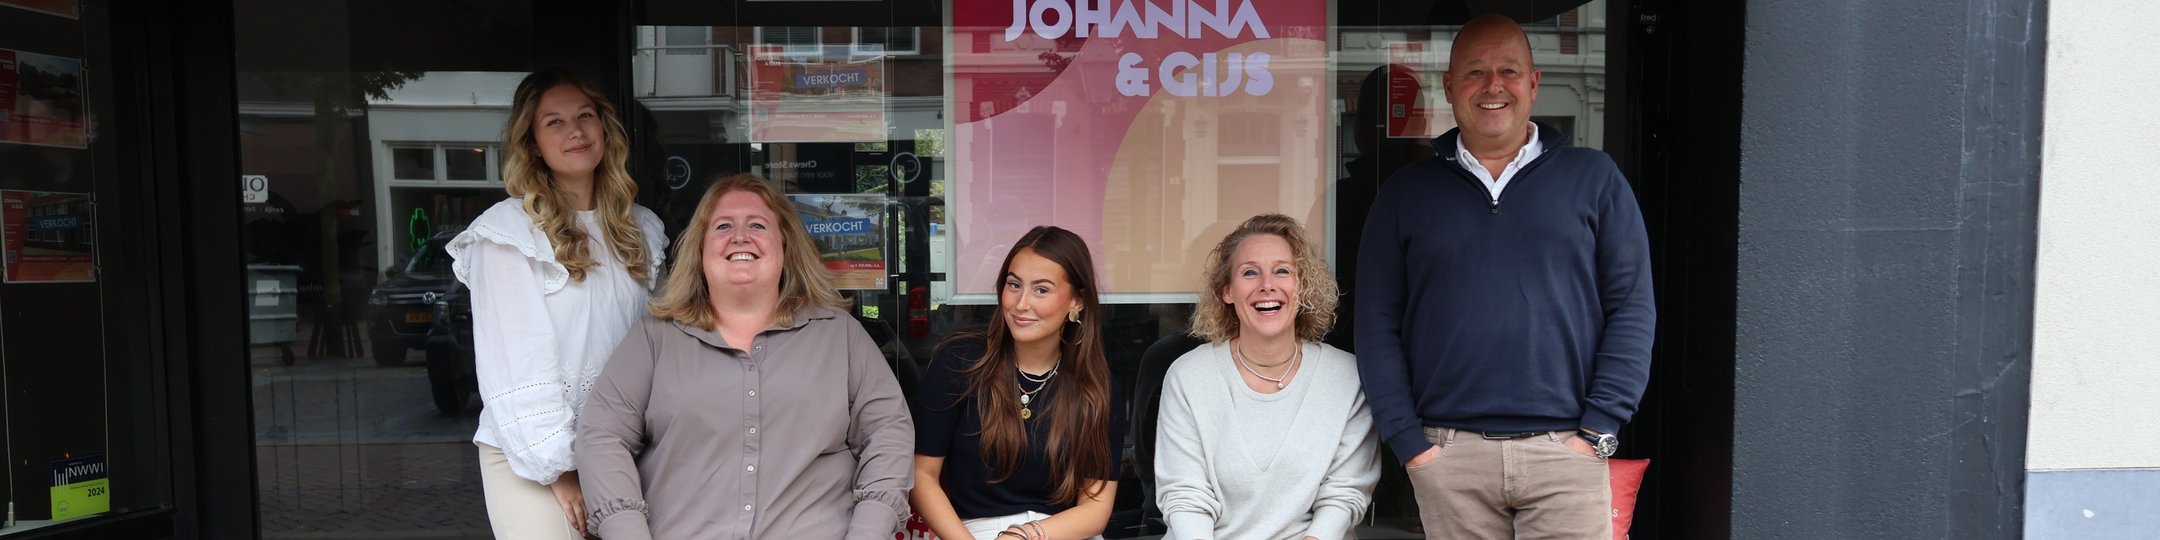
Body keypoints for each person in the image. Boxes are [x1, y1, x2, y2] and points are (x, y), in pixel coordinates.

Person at [1354, 14, 1657, 539]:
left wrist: (1599, 429)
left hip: (1567, 453)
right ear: (1449, 87)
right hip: (1449, 456)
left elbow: (1631, 308)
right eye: (1474, 72)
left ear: (1533, 82)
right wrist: (1409, 442)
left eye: (1509, 71)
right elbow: (1375, 324)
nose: (1493, 86)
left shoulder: (1595, 178)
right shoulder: (1406, 195)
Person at [574, 173, 915, 539]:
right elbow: (602, 437)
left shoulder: (840, 335)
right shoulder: (654, 338)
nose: (740, 236)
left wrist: (867, 533)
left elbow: (888, 434)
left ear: (785, 245)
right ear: (700, 249)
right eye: (723, 226)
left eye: (757, 224)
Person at [447, 68, 667, 540]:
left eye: (585, 116)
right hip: (534, 457)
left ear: (605, 127)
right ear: (531, 142)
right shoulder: (508, 234)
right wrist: (563, 470)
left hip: (622, 449)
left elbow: (662, 341)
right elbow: (517, 363)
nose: (576, 131)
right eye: (555, 122)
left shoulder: (639, 228)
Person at [1154, 214, 1380, 540]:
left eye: (1282, 271)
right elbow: (1184, 495)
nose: (1267, 285)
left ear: (1301, 285)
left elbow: (1346, 492)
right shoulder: (1189, 376)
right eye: (1249, 273)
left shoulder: (1346, 378)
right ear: (1227, 291)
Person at [911, 226, 1123, 540]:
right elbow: (922, 476)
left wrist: (1026, 535)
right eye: (1014, 285)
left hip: (1060, 533)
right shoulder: (960, 361)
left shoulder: (1095, 386)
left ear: (1076, 301)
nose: (1021, 303)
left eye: (1041, 290)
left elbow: (1096, 509)